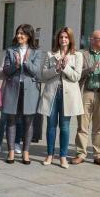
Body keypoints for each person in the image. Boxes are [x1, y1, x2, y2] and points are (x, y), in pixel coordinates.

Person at [38, 27, 83, 169]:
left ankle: (63, 156)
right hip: (52, 93)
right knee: (51, 125)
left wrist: (65, 67)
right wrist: (56, 68)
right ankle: (50, 154)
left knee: (64, 126)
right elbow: (43, 75)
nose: (63, 40)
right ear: (57, 39)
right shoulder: (50, 54)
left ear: (70, 40)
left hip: (68, 95)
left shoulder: (77, 55)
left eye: (66, 37)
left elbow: (77, 76)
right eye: (61, 37)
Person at [72, 29, 100, 167]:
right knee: (82, 126)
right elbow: (76, 74)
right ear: (92, 40)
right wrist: (89, 70)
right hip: (86, 93)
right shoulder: (81, 54)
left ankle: (99, 156)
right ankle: (81, 154)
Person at [1, 23, 42, 164]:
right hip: (13, 88)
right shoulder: (11, 50)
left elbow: (36, 71)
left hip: (30, 90)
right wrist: (16, 65)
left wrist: (25, 62)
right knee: (11, 119)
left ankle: (26, 152)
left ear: (29, 36)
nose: (19, 36)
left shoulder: (36, 52)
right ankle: (11, 151)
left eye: (22, 34)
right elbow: (6, 70)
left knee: (28, 121)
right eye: (18, 33)